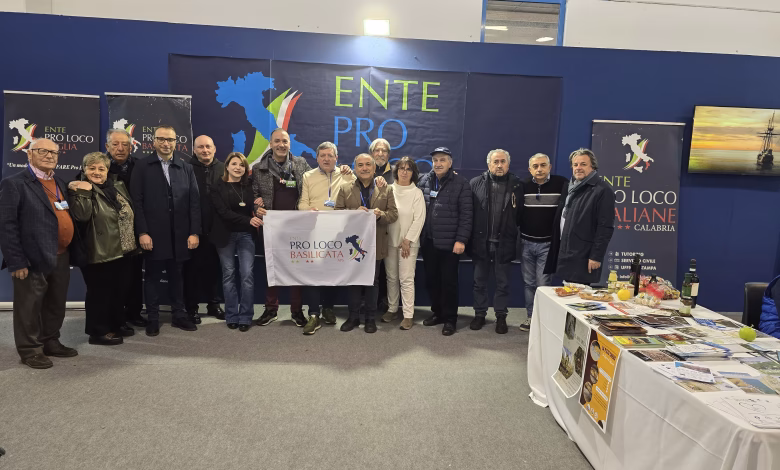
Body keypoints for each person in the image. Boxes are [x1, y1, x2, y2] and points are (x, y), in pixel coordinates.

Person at [0, 138, 78, 369]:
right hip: (31, 258)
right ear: (29, 154)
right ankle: (30, 350)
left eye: (54, 152)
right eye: (43, 151)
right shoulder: (14, 183)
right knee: (29, 306)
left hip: (61, 255)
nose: (49, 155)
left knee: (55, 303)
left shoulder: (59, 182)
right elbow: (6, 225)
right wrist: (16, 261)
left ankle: (50, 341)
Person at [130, 125, 201, 336]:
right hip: (153, 234)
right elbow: (136, 202)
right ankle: (153, 318)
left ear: (176, 142)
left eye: (170, 139)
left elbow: (194, 203)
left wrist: (194, 232)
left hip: (180, 234)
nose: (165, 143)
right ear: (154, 141)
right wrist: (142, 232)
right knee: (152, 277)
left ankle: (179, 315)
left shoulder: (186, 167)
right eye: (161, 139)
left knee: (177, 276)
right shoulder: (142, 166)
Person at [68, 152, 140, 345]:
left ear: (108, 170)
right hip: (99, 251)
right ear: (84, 169)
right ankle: (98, 331)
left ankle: (116, 324)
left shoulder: (116, 186)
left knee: (119, 291)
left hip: (124, 249)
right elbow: (81, 215)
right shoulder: (79, 188)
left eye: (101, 168)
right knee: (99, 293)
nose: (97, 172)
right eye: (92, 168)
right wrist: (83, 192)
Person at [252, 128, 311, 328]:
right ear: (270, 144)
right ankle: (271, 309)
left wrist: (341, 170)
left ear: (289, 144)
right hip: (271, 227)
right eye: (277, 141)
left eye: (284, 141)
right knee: (272, 268)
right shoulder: (259, 168)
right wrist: (256, 208)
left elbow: (316, 181)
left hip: (297, 227)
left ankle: (297, 310)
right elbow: (253, 195)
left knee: (296, 268)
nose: (281, 145)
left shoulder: (301, 164)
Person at [336, 153, 398, 333]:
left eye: (368, 165)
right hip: (353, 243)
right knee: (353, 280)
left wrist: (380, 215)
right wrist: (353, 212)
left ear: (374, 168)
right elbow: (337, 213)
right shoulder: (345, 188)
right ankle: (353, 317)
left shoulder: (386, 189)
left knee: (373, 281)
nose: (364, 168)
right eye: (360, 165)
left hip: (376, 242)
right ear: (355, 168)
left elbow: (393, 214)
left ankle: (371, 318)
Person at [417, 147, 473, 336]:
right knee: (432, 280)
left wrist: (461, 240)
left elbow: (467, 215)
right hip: (428, 241)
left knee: (449, 283)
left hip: (450, 243)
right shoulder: (424, 181)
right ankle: (438, 313)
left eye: (442, 160)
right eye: (435, 160)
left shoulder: (461, 183)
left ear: (450, 163)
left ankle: (450, 319)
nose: (438, 163)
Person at [468, 149, 522, 334]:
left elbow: (521, 216)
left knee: (503, 284)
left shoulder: (517, 185)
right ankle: (479, 314)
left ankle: (501, 316)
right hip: (481, 242)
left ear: (508, 164)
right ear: (488, 164)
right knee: (479, 282)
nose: (499, 165)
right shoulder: (475, 183)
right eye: (496, 162)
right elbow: (469, 214)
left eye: (503, 162)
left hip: (504, 243)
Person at [545, 148, 615, 285]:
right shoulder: (571, 187)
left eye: (583, 164)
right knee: (567, 292)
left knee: (579, 295)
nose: (578, 168)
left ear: (593, 166)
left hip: (584, 256)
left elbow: (605, 228)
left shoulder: (603, 191)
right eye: (575, 164)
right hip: (567, 252)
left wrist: (596, 257)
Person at [211, 153, 262, 331]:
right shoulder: (217, 186)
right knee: (229, 275)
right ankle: (231, 315)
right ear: (227, 166)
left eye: (241, 165)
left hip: (246, 235)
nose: (238, 168)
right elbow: (223, 213)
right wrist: (248, 220)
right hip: (225, 235)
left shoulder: (249, 186)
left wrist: (258, 206)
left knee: (247, 275)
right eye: (234, 164)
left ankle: (246, 317)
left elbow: (254, 206)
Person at [519, 153, 568, 331]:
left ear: (549, 167)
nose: (539, 169)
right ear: (530, 169)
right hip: (526, 243)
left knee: (543, 284)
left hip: (547, 245)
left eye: (543, 165)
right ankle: (531, 317)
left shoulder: (562, 184)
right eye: (535, 166)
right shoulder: (523, 185)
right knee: (529, 283)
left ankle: (543, 320)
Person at [105, 128, 147, 328]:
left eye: (125, 144)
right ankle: (116, 316)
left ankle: (134, 313)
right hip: (110, 232)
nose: (120, 148)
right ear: (107, 146)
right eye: (115, 144)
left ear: (131, 147)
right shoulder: (99, 166)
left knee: (135, 275)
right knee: (114, 277)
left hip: (136, 229)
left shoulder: (141, 166)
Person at [183, 135, 226, 323]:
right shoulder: (185, 169)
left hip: (217, 230)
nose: (205, 150)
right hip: (193, 230)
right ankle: (191, 308)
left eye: (208, 146)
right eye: (200, 147)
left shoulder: (224, 168)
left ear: (214, 148)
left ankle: (214, 304)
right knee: (191, 271)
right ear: (194, 150)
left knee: (214, 270)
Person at [382, 157, 425, 330]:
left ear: (413, 173)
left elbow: (419, 219)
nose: (404, 172)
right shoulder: (389, 189)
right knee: (391, 277)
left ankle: (408, 315)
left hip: (408, 244)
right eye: (401, 168)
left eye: (408, 169)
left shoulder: (417, 193)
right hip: (389, 241)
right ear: (396, 171)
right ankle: (392, 309)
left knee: (406, 279)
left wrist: (408, 240)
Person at [369, 138, 393, 313]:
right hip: (367, 230)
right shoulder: (363, 171)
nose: (380, 154)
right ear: (371, 153)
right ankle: (367, 302)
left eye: (384, 151)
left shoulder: (397, 172)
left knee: (387, 269)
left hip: (390, 227)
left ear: (388, 154)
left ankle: (385, 301)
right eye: (377, 150)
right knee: (369, 266)